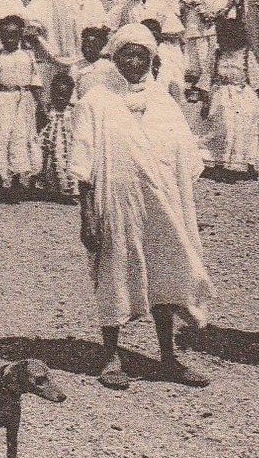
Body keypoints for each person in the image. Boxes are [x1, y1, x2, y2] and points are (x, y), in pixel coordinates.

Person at [71, 23, 213, 390]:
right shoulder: (95, 102)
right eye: (127, 54)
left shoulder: (165, 102)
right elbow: (83, 164)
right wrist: (87, 215)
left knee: (164, 274)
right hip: (114, 205)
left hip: (161, 204)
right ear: (115, 58)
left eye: (141, 55)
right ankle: (111, 356)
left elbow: (186, 157)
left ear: (152, 59)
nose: (134, 62)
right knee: (114, 272)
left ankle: (167, 356)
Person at [0, 15, 43, 193]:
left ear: (20, 35)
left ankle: (19, 179)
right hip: (1, 100)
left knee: (22, 137)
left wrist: (41, 105)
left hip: (24, 100)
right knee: (0, 139)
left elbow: (35, 81)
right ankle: (1, 179)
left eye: (13, 34)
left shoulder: (28, 55)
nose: (9, 38)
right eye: (5, 34)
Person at [199, 17, 259, 178]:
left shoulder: (246, 55)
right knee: (223, 127)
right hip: (221, 96)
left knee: (247, 127)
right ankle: (220, 162)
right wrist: (205, 98)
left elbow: (256, 77)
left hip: (243, 95)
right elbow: (207, 75)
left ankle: (247, 163)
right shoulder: (217, 54)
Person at [37, 72, 78, 199]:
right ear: (51, 93)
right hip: (46, 144)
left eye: (64, 95)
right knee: (43, 162)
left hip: (66, 146)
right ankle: (45, 187)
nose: (60, 98)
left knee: (64, 162)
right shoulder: (47, 111)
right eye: (57, 94)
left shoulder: (72, 112)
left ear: (70, 95)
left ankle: (66, 189)